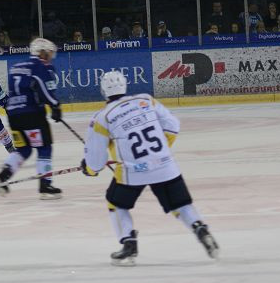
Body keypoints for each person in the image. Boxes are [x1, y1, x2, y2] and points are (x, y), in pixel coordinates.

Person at [80, 70, 218, 265]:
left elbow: (96, 161)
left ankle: (128, 242)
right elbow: (173, 126)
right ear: (125, 85)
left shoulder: (102, 117)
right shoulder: (146, 100)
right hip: (165, 166)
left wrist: (90, 169)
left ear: (103, 91)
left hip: (132, 172)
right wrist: (158, 154)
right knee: (180, 204)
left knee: (116, 204)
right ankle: (200, 228)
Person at [0, 38, 62, 200]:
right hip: (32, 115)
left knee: (24, 149)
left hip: (14, 116)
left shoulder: (16, 67)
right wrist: (54, 105)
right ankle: (45, 186)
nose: (50, 57)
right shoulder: (40, 66)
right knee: (44, 147)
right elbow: (42, 87)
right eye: (49, 53)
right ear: (42, 52)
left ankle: (3, 176)